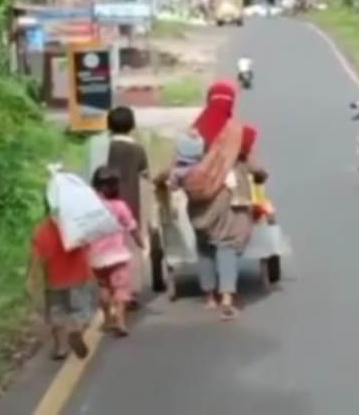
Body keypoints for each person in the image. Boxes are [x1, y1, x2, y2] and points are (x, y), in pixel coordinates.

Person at [159, 81, 266, 321]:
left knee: (205, 246)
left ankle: (209, 297)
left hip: (198, 201)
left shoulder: (194, 132)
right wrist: (260, 174)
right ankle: (227, 297)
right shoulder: (239, 134)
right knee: (227, 245)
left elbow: (174, 166)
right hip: (230, 200)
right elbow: (254, 167)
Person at [31, 203, 92, 360]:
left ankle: (61, 348)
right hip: (78, 277)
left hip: (54, 280)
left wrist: (33, 278)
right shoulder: (75, 226)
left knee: (57, 312)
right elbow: (88, 245)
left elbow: (37, 258)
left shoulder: (41, 230)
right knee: (79, 310)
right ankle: (76, 330)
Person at [103, 106, 149, 307]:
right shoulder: (138, 150)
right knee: (131, 248)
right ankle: (130, 292)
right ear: (132, 125)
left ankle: (108, 287)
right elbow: (145, 174)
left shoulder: (104, 147)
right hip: (130, 205)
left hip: (104, 207)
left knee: (106, 246)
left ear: (108, 125)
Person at [89, 166, 144, 336]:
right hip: (117, 256)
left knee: (104, 287)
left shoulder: (90, 207)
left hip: (96, 257)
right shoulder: (120, 206)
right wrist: (140, 241)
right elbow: (132, 226)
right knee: (121, 288)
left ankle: (106, 319)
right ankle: (120, 320)